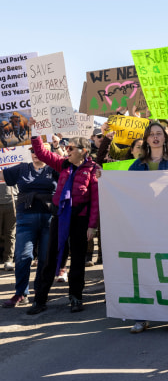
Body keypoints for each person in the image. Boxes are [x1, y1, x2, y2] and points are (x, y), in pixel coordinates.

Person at [26, 126, 100, 316]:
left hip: (80, 220)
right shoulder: (63, 165)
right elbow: (42, 153)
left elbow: (95, 201)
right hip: (60, 217)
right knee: (50, 259)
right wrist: (34, 132)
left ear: (83, 151)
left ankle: (76, 297)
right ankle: (40, 299)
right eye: (66, 148)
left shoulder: (93, 171)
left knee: (77, 259)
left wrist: (92, 226)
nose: (67, 150)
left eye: (71, 148)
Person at [129, 121, 168, 333]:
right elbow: (124, 189)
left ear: (165, 138)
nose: (155, 137)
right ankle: (142, 316)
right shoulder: (137, 165)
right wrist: (104, 178)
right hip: (143, 226)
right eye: (151, 134)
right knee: (145, 269)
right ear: (146, 139)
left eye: (159, 134)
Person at [0, 144, 57, 307]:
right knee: (23, 256)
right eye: (33, 151)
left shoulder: (54, 169)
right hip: (26, 218)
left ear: (48, 153)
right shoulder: (22, 168)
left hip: (49, 218)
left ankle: (41, 292)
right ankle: (21, 293)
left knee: (45, 258)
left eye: (39, 151)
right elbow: (2, 175)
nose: (36, 154)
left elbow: (71, 174)